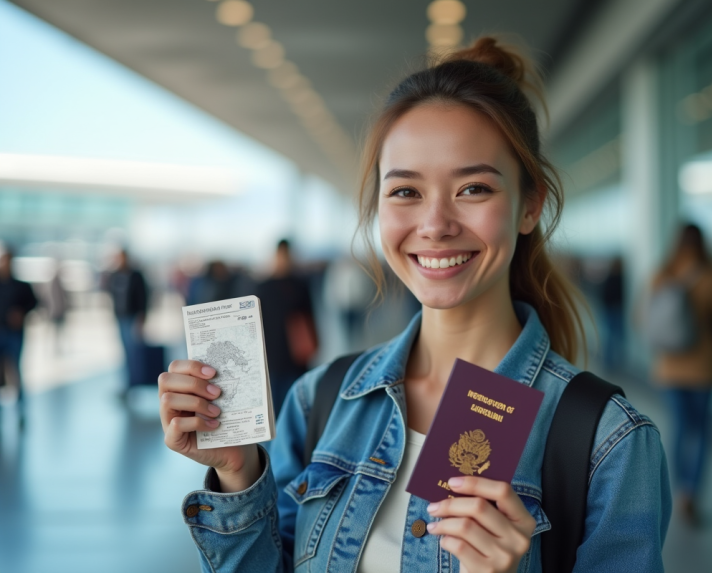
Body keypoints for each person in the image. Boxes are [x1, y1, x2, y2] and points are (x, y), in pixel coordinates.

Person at [159, 38, 671, 572]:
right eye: (405, 192)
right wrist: (237, 474)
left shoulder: (608, 443)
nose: (435, 225)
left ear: (530, 205)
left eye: (473, 189)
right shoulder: (321, 402)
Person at [649, 224, 712, 526]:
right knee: (700, 431)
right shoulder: (710, 278)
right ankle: (691, 493)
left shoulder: (662, 275)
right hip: (702, 369)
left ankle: (678, 489)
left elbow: (641, 318)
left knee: (679, 428)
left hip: (668, 369)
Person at [256, 239, 318, 417]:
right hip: (271, 354)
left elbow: (310, 316)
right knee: (274, 403)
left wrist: (314, 343)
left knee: (297, 401)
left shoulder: (300, 284)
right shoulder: (263, 286)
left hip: (296, 353)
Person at [0, 247, 38, 428]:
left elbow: (34, 303)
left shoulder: (21, 285)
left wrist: (21, 313)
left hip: (14, 334)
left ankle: (20, 410)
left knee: (15, 372)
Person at [103, 249, 148, 395]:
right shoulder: (114, 275)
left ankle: (136, 383)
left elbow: (143, 297)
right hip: (120, 317)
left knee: (134, 352)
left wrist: (141, 317)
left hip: (133, 317)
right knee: (125, 353)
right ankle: (128, 384)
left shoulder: (136, 275)